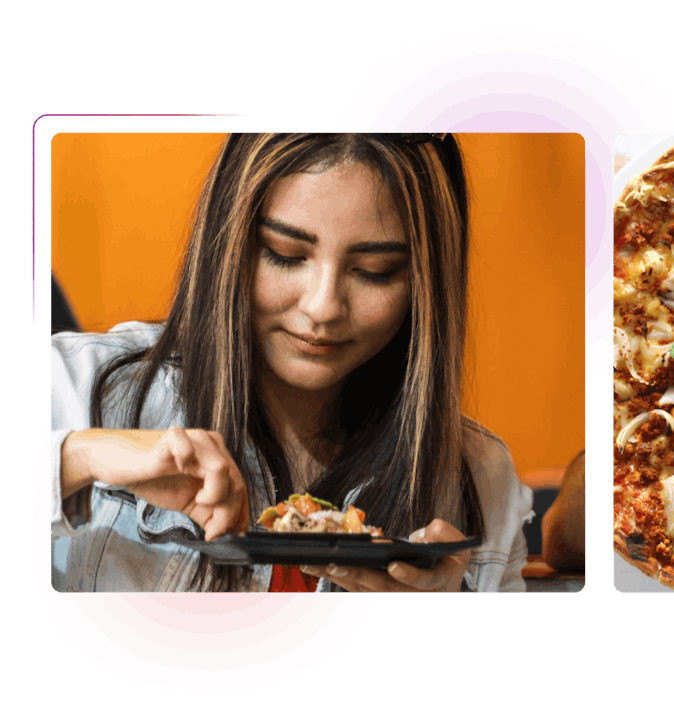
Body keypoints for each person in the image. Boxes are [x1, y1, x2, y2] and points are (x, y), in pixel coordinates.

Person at [51, 133, 532, 592]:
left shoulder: (481, 477)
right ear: (228, 243)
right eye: (283, 255)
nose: (323, 307)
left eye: (374, 272)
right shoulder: (75, 384)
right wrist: (79, 458)